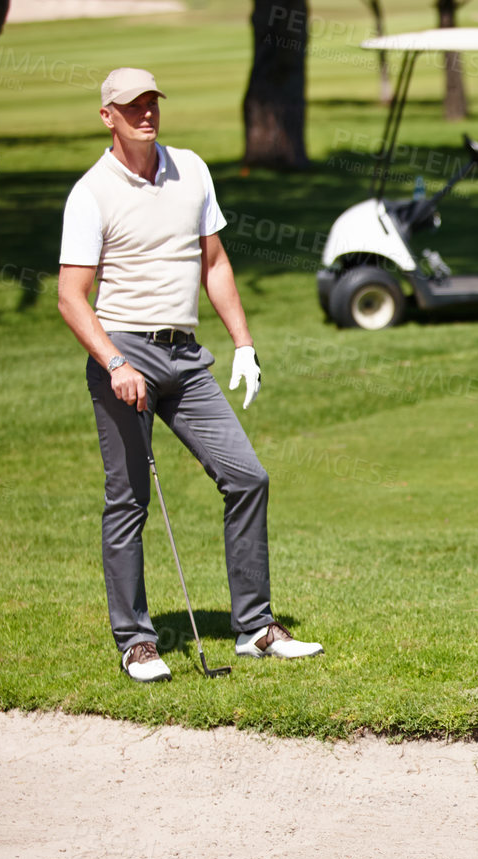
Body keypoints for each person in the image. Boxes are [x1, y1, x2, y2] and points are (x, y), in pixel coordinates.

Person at [57, 68, 322, 682]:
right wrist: (115, 362)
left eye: (151, 102)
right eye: (131, 106)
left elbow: (216, 262)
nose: (145, 114)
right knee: (128, 501)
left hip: (186, 357)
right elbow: (72, 296)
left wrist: (243, 343)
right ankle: (136, 642)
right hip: (124, 351)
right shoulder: (90, 192)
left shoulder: (192, 170)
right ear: (107, 116)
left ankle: (255, 628)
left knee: (247, 477)